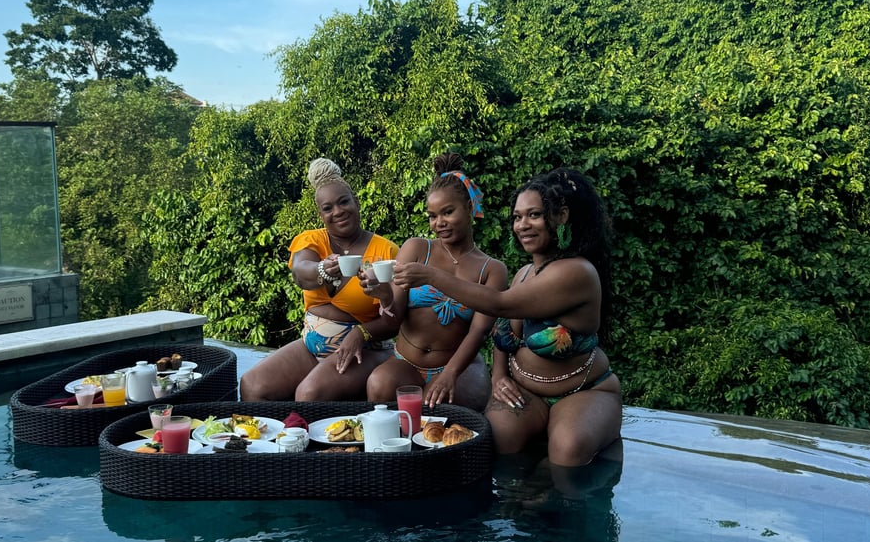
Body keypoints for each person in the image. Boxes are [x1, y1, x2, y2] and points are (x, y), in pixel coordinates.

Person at [393, 168, 621, 465]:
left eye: (534, 215)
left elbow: (499, 305)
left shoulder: (576, 272)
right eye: (517, 217)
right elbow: (502, 332)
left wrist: (431, 276)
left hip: (584, 391)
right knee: (496, 439)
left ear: (561, 216)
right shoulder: (525, 273)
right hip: (526, 393)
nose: (522, 225)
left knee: (567, 450)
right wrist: (499, 376)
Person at [239, 158, 400, 401]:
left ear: (356, 202)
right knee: (252, 385)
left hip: (364, 348)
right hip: (311, 345)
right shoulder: (313, 240)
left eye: (344, 202)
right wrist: (322, 269)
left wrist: (362, 332)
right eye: (328, 208)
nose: (338, 211)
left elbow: (397, 318)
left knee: (309, 394)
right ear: (321, 214)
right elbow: (300, 272)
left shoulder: (386, 251)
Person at [360, 153, 507, 410]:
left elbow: (479, 332)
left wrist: (450, 374)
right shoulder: (417, 249)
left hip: (458, 366)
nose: (439, 223)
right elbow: (394, 320)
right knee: (379, 383)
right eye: (432, 216)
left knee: (441, 407)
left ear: (469, 207)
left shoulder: (491, 269)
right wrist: (384, 295)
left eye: (448, 212)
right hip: (406, 363)